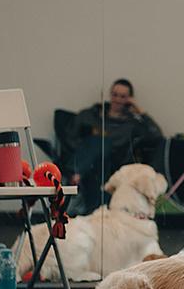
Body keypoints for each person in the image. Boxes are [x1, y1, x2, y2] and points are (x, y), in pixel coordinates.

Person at [69, 78, 164, 213]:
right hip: (90, 162)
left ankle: (76, 176)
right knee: (98, 144)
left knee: (104, 144)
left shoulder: (131, 124)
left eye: (122, 96)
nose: (117, 99)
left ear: (129, 99)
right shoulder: (92, 115)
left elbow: (157, 136)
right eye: (115, 94)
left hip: (113, 164)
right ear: (110, 94)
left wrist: (141, 112)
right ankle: (80, 175)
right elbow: (71, 135)